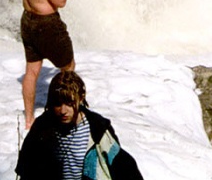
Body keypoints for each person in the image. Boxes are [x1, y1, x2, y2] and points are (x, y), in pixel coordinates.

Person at [15, 71, 144, 180]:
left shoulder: (97, 130)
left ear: (81, 98)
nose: (63, 110)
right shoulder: (42, 129)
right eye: (58, 104)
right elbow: (26, 170)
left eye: (69, 103)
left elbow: (124, 167)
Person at [15, 0, 77, 130]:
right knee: (68, 68)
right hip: (47, 25)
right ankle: (66, 113)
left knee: (32, 71)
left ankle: (29, 120)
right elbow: (59, 1)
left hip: (28, 21)